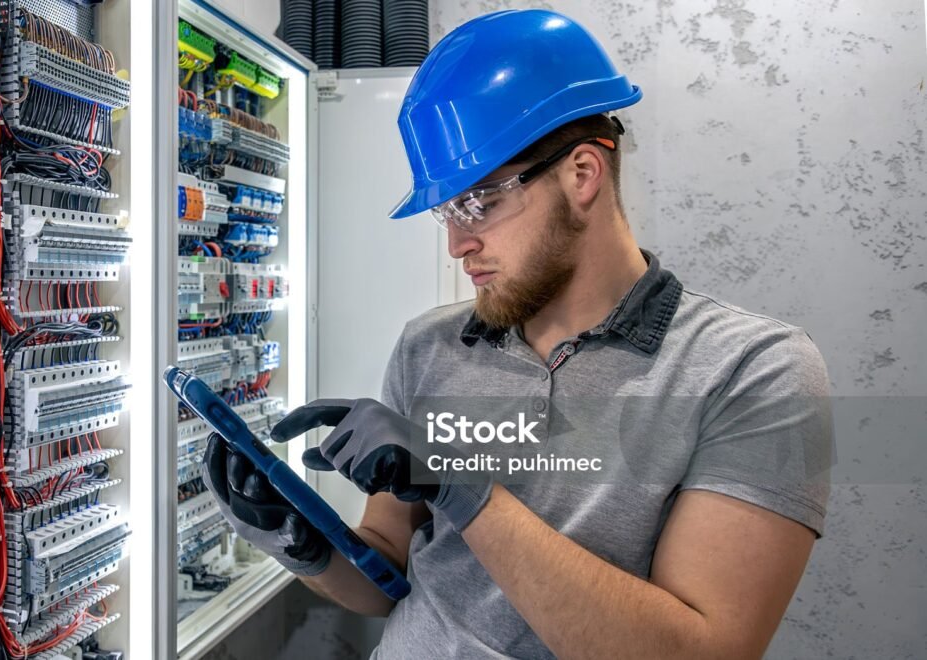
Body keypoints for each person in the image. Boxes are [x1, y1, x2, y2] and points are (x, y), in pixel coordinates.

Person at [200, 9, 832, 659]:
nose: (456, 243)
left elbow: (705, 651)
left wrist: (465, 489)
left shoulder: (753, 370)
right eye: (446, 212)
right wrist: (301, 542)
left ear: (582, 174)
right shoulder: (429, 347)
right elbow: (387, 576)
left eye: (477, 202)